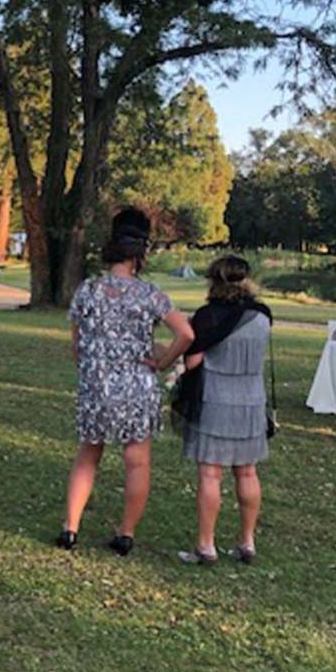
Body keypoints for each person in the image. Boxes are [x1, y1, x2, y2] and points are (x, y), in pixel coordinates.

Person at [58, 208, 194, 555]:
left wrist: (94, 364)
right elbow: (186, 333)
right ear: (141, 252)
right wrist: (162, 361)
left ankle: (70, 528)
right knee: (137, 461)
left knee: (88, 456)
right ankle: (125, 534)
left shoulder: (87, 291)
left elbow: (76, 345)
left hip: (96, 384)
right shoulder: (149, 294)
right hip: (137, 384)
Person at [173, 256, 271, 566]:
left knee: (210, 474)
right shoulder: (263, 316)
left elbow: (192, 362)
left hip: (215, 398)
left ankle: (206, 546)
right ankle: (247, 541)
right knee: (247, 471)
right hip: (252, 399)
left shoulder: (207, 317)